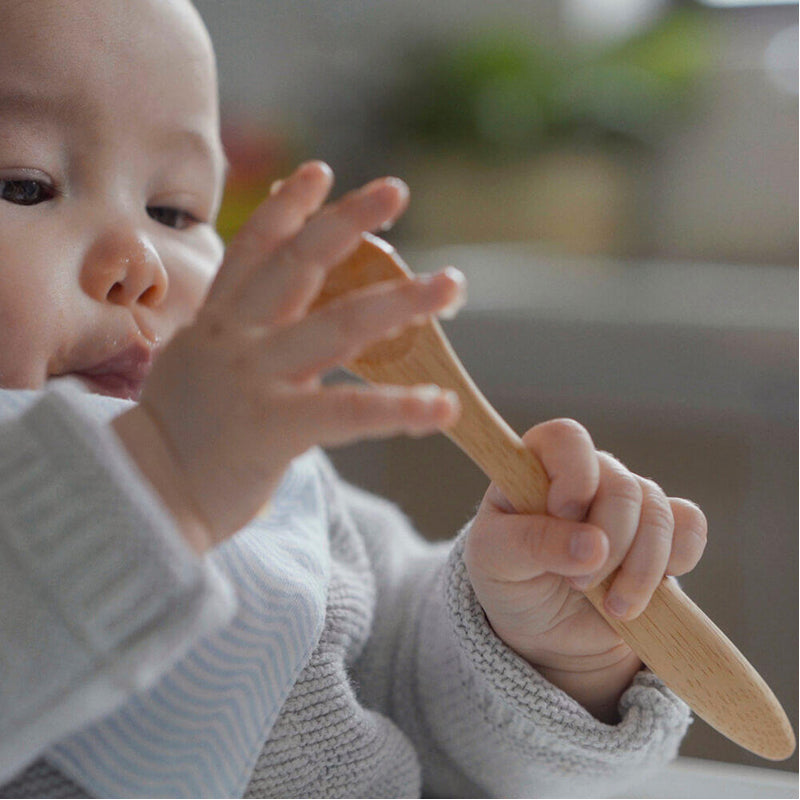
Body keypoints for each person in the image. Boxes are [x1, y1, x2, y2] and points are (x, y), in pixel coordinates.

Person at [0, 0, 708, 796]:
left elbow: (414, 698)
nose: (140, 261)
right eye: (23, 185)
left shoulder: (287, 493)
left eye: (174, 211)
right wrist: (154, 482)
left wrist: (544, 652)